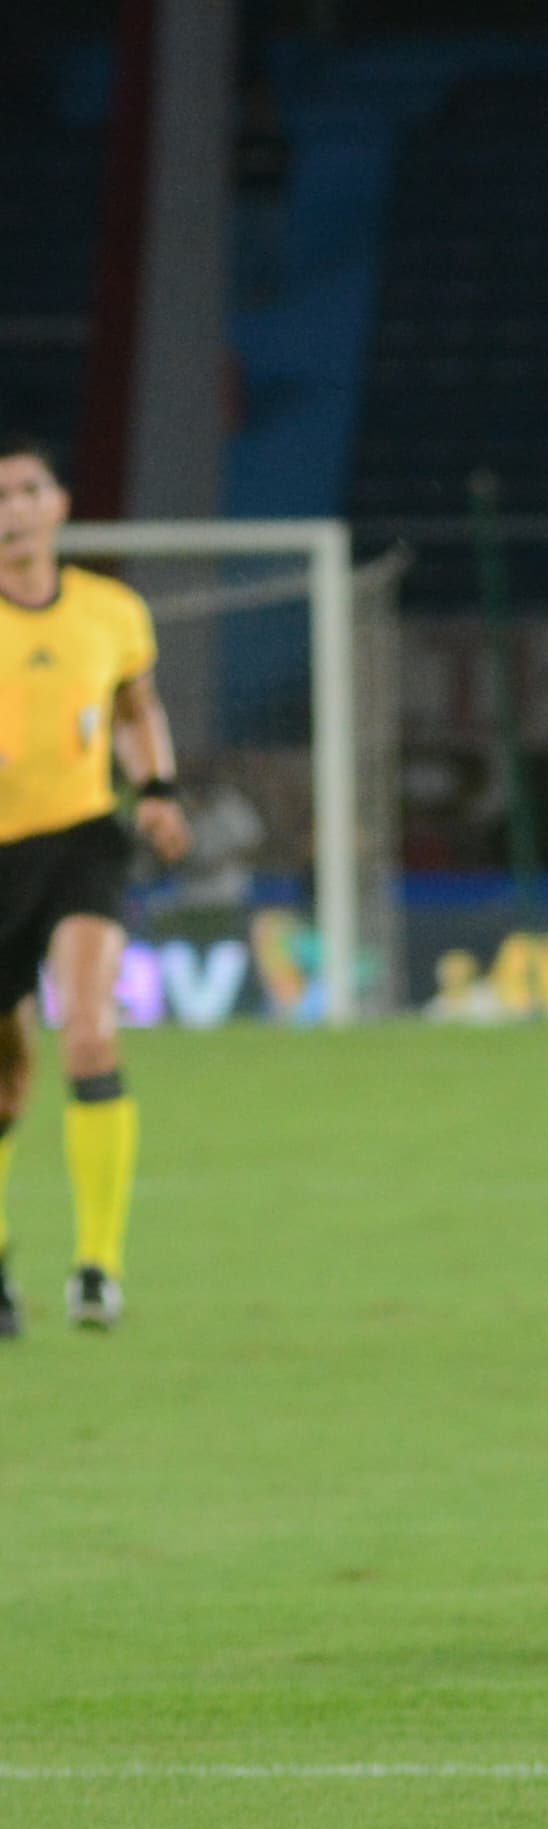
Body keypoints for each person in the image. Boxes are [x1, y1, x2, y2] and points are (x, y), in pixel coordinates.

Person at [0, 433, 189, 1338]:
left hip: (82, 839)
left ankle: (96, 1268)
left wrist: (155, 791)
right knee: (5, 1080)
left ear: (59, 506)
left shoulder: (111, 612)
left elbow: (137, 709)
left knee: (89, 1029)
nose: (12, 510)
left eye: (28, 490)